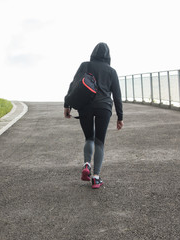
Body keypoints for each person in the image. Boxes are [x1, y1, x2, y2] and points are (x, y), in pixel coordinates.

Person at [64, 42, 124, 189]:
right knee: (100, 142)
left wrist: (67, 105)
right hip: (104, 107)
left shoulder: (85, 65)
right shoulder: (111, 71)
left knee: (89, 137)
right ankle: (96, 178)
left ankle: (86, 165)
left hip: (85, 105)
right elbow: (117, 96)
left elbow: (73, 84)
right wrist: (120, 117)